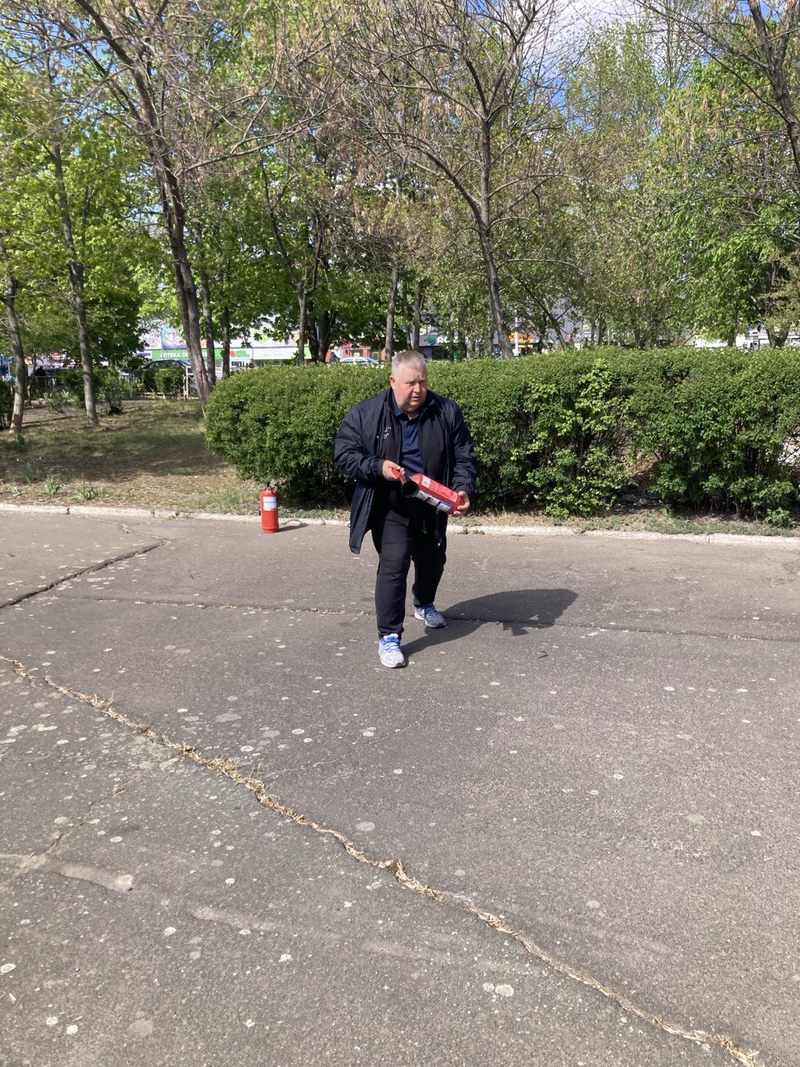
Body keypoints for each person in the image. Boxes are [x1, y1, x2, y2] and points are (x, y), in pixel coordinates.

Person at [334, 350, 477, 668]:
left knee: (432, 561)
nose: (418, 390)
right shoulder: (367, 413)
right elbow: (344, 454)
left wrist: (462, 488)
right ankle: (389, 636)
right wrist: (377, 467)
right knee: (394, 564)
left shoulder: (445, 410)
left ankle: (424, 602)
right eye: (410, 383)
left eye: (422, 382)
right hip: (391, 506)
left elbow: (463, 455)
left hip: (431, 505)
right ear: (393, 381)